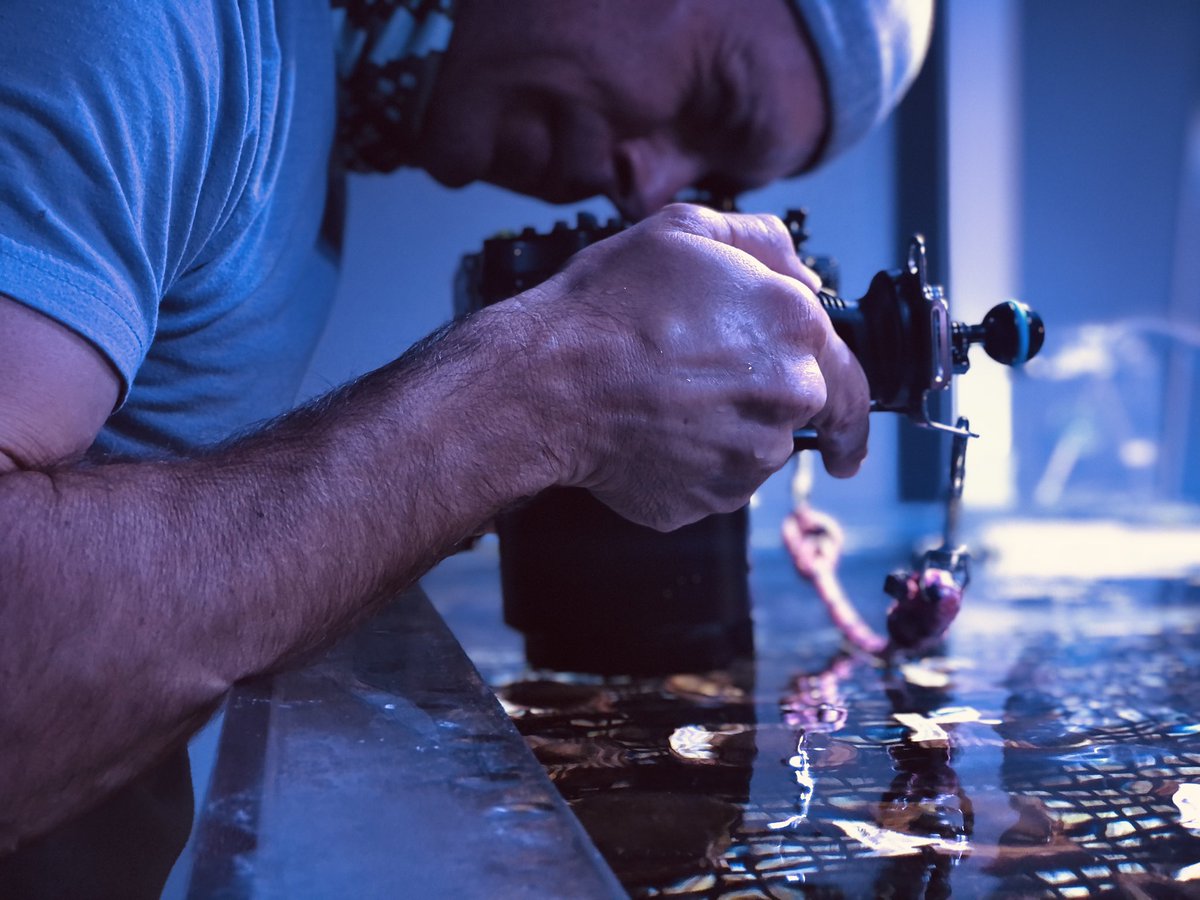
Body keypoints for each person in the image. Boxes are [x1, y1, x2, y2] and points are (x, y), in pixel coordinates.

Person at [0, 0, 932, 887]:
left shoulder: (305, 102)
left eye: (706, 175)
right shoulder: (160, 27)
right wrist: (541, 389)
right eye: (709, 99)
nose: (643, 185)